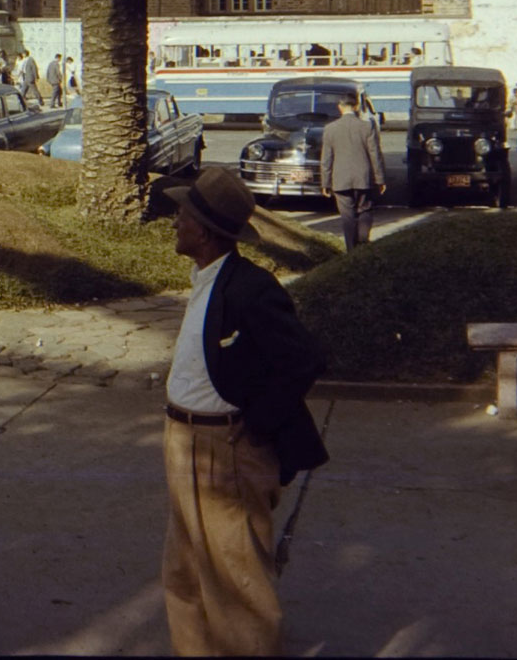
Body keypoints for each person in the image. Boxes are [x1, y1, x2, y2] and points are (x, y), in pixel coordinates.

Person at [158, 166, 327, 656]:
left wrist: (256, 424)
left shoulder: (251, 287)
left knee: (238, 578)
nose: (175, 222)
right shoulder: (207, 276)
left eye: (182, 215)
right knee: (184, 570)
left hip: (224, 449)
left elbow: (304, 359)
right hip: (183, 441)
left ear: (205, 232)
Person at [319, 92, 383, 253]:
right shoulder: (367, 126)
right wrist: (380, 179)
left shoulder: (330, 129)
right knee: (365, 209)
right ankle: (363, 242)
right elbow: (375, 154)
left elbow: (326, 158)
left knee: (347, 216)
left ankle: (351, 250)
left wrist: (325, 182)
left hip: (341, 179)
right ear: (356, 107)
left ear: (340, 108)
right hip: (363, 177)